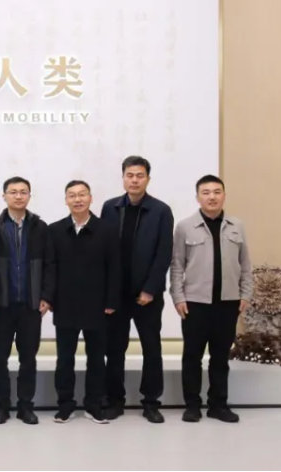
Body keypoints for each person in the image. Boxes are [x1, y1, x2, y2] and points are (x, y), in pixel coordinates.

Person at [171, 175, 252, 424]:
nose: (212, 197)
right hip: (195, 303)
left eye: (217, 192)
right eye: (206, 192)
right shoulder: (185, 227)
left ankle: (218, 405)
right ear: (198, 197)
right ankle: (192, 405)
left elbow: (245, 264)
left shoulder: (237, 226)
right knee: (192, 357)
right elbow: (177, 265)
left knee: (220, 357)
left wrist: (245, 294)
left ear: (224, 195)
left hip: (228, 303)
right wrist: (178, 296)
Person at [100, 156, 173, 423]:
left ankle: (151, 402)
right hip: (116, 294)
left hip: (147, 295)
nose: (134, 180)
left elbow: (164, 253)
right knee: (114, 349)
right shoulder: (110, 208)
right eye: (130, 175)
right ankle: (114, 400)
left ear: (148, 179)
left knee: (151, 348)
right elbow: (104, 251)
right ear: (123, 178)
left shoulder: (161, 210)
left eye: (139, 175)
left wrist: (150, 289)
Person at [47, 180, 120, 425]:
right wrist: (50, 297)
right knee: (64, 358)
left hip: (97, 305)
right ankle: (65, 405)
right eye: (72, 195)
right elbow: (50, 267)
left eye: (82, 195)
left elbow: (115, 267)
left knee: (96, 358)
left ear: (90, 198)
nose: (77, 200)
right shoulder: (55, 230)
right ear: (65, 200)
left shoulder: (107, 230)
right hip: (65, 304)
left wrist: (112, 300)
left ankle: (94, 405)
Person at [0, 176, 55, 426]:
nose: (18, 196)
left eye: (23, 192)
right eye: (13, 192)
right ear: (4, 196)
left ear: (29, 196)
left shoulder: (40, 227)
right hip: (1, 304)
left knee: (28, 358)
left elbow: (49, 264)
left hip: (30, 304)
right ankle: (1, 406)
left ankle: (26, 406)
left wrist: (46, 296)